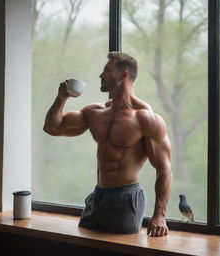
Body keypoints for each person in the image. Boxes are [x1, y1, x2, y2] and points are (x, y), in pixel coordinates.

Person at [43, 52, 172, 237]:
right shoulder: (96, 112)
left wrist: (159, 215)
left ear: (124, 75)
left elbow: (164, 168)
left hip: (126, 197)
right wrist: (61, 98)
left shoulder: (145, 119)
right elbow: (52, 128)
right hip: (98, 196)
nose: (101, 75)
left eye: (107, 70)